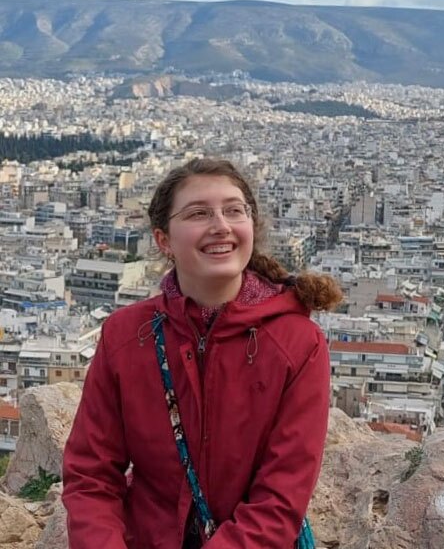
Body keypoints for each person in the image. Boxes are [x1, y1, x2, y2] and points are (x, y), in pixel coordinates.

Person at [63, 158, 343, 548]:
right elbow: (91, 474)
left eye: (234, 210)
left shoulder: (298, 343)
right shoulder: (126, 335)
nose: (221, 226)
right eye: (198, 213)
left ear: (251, 225)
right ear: (164, 240)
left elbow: (280, 496)